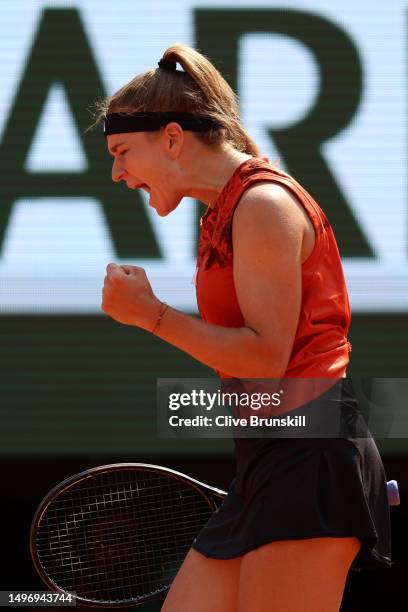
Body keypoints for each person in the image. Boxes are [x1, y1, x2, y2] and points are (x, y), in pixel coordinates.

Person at [95, 43, 391, 612]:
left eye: (123, 151)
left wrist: (149, 315)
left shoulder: (262, 205)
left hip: (311, 455)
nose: (117, 173)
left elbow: (265, 358)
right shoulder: (225, 212)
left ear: (174, 138)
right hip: (275, 456)